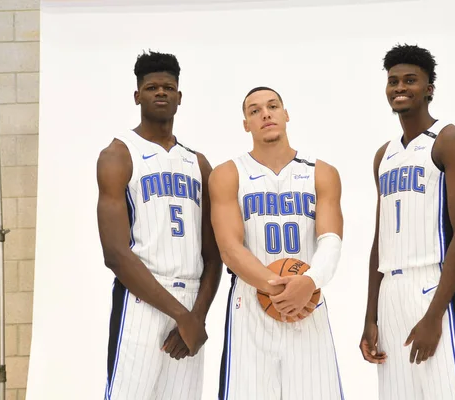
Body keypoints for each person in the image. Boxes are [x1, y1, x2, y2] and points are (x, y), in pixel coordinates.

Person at [359, 44, 455, 400]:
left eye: (411, 80)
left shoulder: (450, 140)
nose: (400, 87)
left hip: (436, 284)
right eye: (393, 81)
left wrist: (434, 316)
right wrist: (371, 316)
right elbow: (378, 242)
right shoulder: (383, 156)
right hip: (391, 293)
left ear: (429, 88)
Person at [96, 51, 222, 400]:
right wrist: (184, 316)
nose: (161, 93)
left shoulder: (198, 163)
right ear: (137, 96)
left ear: (180, 97)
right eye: (152, 87)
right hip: (142, 301)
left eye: (169, 87)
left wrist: (196, 317)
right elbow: (116, 256)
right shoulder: (119, 154)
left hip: (190, 301)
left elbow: (213, 256)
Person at [209, 87, 345, 400]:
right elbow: (230, 248)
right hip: (251, 305)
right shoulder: (228, 173)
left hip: (308, 301)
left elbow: (331, 241)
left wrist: (308, 282)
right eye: (254, 110)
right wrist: (279, 288)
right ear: (246, 123)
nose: (265, 114)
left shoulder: (321, 172)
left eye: (272, 106)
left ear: (286, 114)